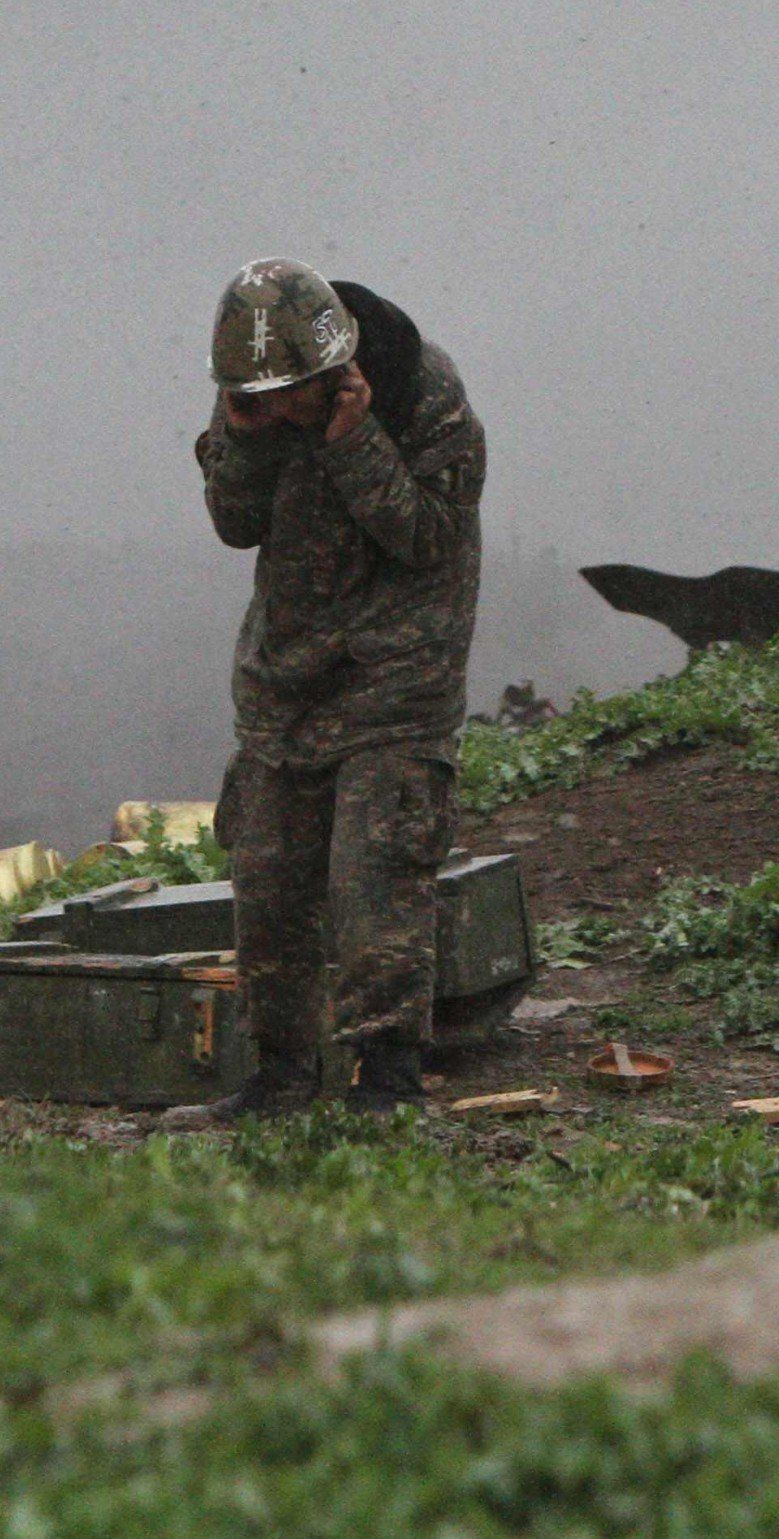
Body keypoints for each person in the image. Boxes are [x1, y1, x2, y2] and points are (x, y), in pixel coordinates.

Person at [178, 258, 485, 1120]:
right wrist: (242, 436)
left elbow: (426, 535)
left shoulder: (430, 401)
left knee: (374, 877)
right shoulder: (256, 393)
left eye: (285, 399)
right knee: (268, 879)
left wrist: (354, 443)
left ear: (336, 376)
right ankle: (279, 1076)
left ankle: (386, 1079)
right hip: (289, 677)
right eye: (253, 398)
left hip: (399, 677)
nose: (271, 411)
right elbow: (235, 524)